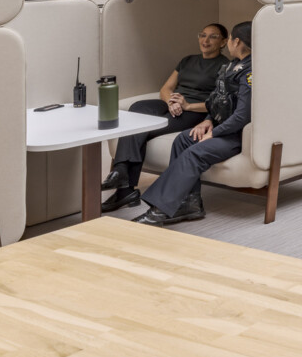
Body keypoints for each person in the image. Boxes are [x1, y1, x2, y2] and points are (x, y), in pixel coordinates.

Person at [132, 21, 253, 226]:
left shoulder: (250, 72)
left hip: (236, 136)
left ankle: (160, 209)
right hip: (221, 129)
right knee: (183, 139)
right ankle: (191, 203)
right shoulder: (231, 66)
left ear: (235, 41)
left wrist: (214, 133)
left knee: (195, 151)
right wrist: (207, 121)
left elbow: (242, 116)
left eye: (230, 39)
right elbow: (218, 102)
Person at [101, 23, 229, 212]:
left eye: (213, 37)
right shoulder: (187, 60)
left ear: (223, 42)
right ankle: (121, 176)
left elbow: (219, 103)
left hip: (194, 110)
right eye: (203, 35)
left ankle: (124, 187)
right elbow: (166, 88)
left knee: (143, 128)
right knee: (138, 109)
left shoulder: (225, 67)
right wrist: (171, 102)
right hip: (174, 104)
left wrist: (187, 105)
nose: (206, 40)